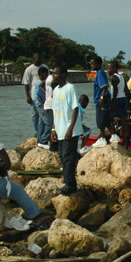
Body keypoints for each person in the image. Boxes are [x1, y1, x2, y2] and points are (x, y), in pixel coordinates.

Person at [51, 64, 82, 195]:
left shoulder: (70, 88)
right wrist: (53, 129)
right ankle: (70, 182)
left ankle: (69, 185)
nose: (54, 75)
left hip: (70, 130)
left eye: (56, 73)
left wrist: (70, 128)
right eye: (53, 73)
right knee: (62, 157)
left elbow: (75, 108)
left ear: (63, 74)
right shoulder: (56, 90)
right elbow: (54, 111)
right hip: (59, 130)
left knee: (68, 157)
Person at [22, 52, 48, 138]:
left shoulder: (45, 67)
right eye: (38, 58)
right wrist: (28, 96)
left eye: (41, 58)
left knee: (43, 115)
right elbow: (26, 83)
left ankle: (42, 132)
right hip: (34, 96)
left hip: (44, 96)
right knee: (34, 115)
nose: (40, 60)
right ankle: (36, 132)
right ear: (34, 59)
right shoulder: (29, 69)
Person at [107, 61, 131, 145]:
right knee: (124, 121)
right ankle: (125, 142)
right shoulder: (122, 77)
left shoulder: (113, 78)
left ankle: (114, 135)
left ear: (114, 68)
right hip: (124, 98)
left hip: (117, 99)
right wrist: (127, 101)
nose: (107, 70)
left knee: (109, 118)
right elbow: (126, 90)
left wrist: (112, 102)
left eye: (109, 68)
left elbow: (115, 91)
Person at [90, 56, 112, 147]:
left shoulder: (99, 73)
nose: (91, 65)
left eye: (92, 63)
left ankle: (102, 138)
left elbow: (104, 86)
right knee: (107, 119)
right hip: (105, 98)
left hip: (102, 99)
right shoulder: (101, 72)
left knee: (101, 120)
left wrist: (101, 98)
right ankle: (113, 136)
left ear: (98, 64)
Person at [34, 66, 50, 149]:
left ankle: (39, 141)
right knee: (49, 123)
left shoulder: (40, 82)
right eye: (46, 73)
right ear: (42, 74)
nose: (48, 75)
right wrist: (44, 106)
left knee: (41, 123)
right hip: (40, 105)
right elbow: (38, 96)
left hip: (39, 105)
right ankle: (43, 140)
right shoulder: (40, 83)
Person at [43, 70, 57, 151]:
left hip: (49, 106)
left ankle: (53, 144)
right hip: (50, 107)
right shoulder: (55, 94)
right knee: (52, 125)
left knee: (52, 125)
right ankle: (53, 146)